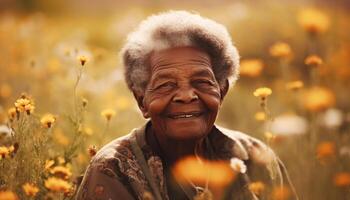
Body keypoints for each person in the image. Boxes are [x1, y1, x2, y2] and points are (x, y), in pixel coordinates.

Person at [76, 10, 297, 200]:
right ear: (142, 100)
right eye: (165, 85)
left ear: (221, 92)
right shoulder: (113, 170)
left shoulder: (255, 157)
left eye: (201, 81)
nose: (186, 95)